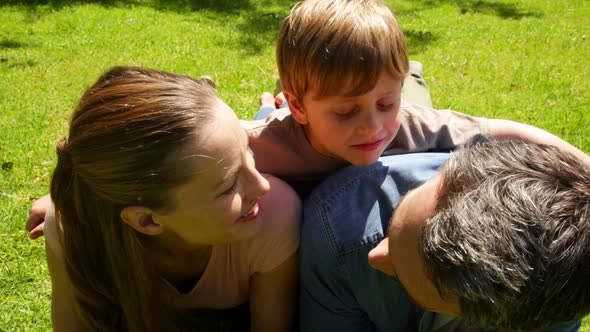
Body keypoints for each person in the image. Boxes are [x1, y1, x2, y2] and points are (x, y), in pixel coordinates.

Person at [44, 66, 300, 331]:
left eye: (247, 151)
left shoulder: (274, 213)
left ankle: (272, 102)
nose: (262, 186)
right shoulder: (73, 230)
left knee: (276, 112)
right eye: (228, 187)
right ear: (146, 220)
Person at [300, 140, 589, 331]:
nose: (376, 256)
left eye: (399, 274)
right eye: (405, 203)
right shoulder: (336, 229)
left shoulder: (562, 280)